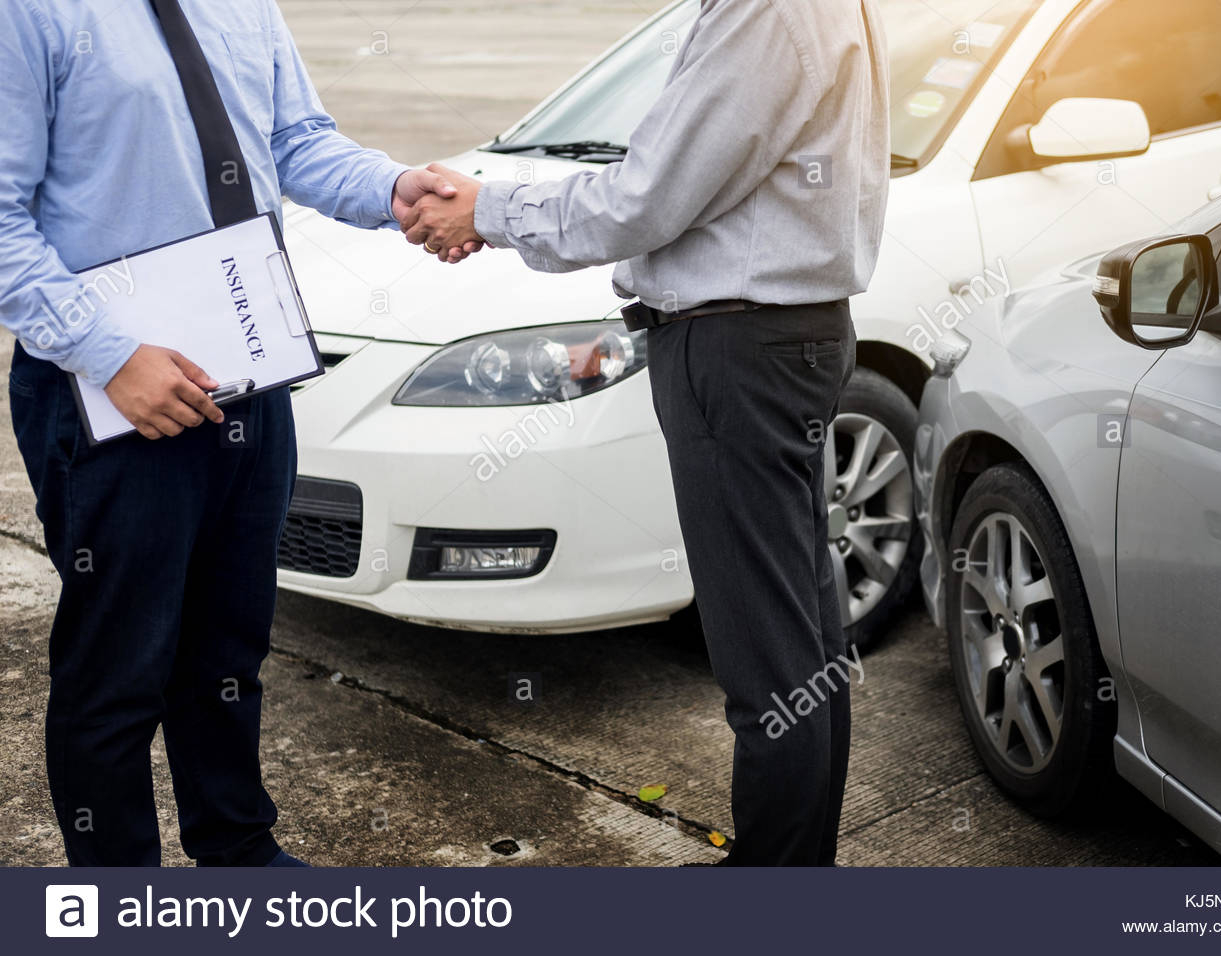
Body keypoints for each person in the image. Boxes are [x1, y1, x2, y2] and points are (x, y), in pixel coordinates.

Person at [401, 0, 890, 865]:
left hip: (739, 349)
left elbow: (646, 197)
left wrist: (488, 210)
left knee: (766, 657)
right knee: (801, 636)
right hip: (778, 337)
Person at [0, 0, 470, 866]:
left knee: (229, 642)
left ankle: (238, 852)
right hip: (108, 392)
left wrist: (390, 187)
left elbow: (295, 140)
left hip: (252, 372)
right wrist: (110, 354)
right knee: (118, 667)